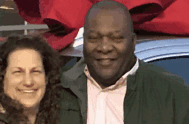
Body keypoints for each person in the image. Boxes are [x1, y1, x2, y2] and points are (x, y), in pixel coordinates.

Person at [59, 1, 189, 124]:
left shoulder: (173, 96)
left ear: (133, 42)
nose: (104, 48)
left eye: (116, 38)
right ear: (84, 42)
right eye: (94, 38)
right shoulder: (56, 91)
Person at [0, 34, 61, 124]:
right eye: (18, 72)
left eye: (35, 71)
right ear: (2, 78)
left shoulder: (61, 113)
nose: (28, 81)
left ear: (47, 78)